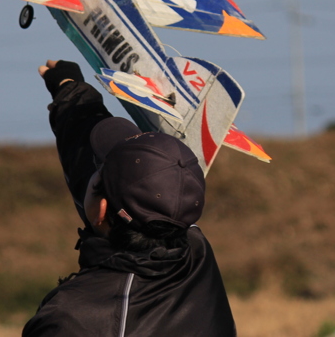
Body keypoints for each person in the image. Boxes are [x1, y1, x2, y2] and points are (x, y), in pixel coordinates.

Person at [23, 60, 236, 337]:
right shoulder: (195, 252)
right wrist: (70, 92)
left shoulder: (70, 319)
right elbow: (89, 171)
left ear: (101, 209)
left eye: (97, 177)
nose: (91, 173)